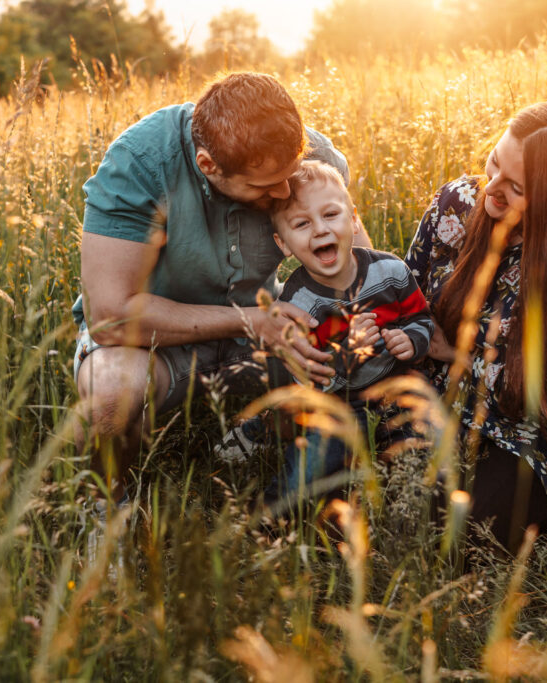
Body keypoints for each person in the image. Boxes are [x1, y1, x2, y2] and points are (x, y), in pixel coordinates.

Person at [72, 72, 372, 503]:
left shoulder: (312, 156)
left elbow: (361, 278)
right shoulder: (140, 162)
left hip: (267, 326)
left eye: (290, 175)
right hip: (157, 341)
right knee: (110, 393)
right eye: (265, 186)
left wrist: (357, 323)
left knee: (352, 344)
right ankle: (106, 511)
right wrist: (251, 322)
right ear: (208, 165)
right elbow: (111, 318)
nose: (286, 190)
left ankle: (275, 441)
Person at [404, 101, 547, 554]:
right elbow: (406, 294)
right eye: (493, 163)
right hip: (433, 397)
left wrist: (454, 352)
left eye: (516, 187)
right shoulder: (456, 203)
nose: (490, 190)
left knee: (456, 535)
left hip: (526, 433)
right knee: (380, 495)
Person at [218, 160, 433, 507]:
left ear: (353, 219)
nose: (319, 230)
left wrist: (410, 339)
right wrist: (349, 352)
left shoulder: (391, 272)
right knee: (307, 477)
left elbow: (420, 317)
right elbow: (310, 379)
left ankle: (403, 492)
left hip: (396, 388)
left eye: (331, 215)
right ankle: (268, 519)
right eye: (302, 224)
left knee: (432, 441)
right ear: (283, 243)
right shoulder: (300, 304)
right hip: (337, 405)